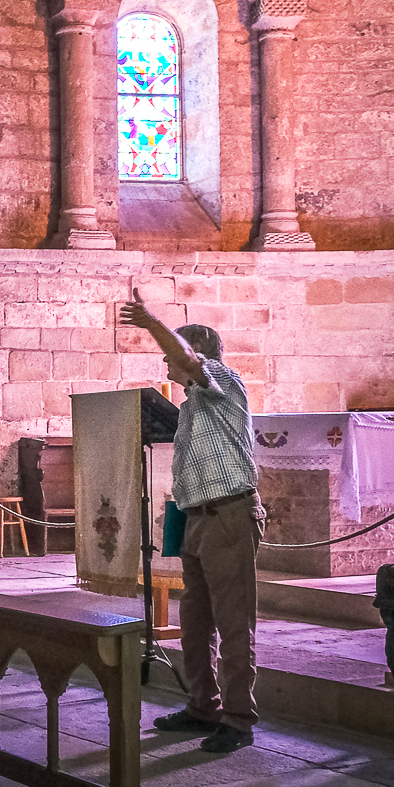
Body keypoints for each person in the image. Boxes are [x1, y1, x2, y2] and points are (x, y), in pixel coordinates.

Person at [119, 298, 262, 754]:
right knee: (195, 621)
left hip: (228, 515)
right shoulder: (192, 406)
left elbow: (184, 358)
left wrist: (150, 323)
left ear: (198, 350)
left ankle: (239, 719)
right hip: (197, 518)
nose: (167, 363)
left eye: (173, 353)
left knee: (233, 621)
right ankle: (204, 705)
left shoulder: (224, 380)